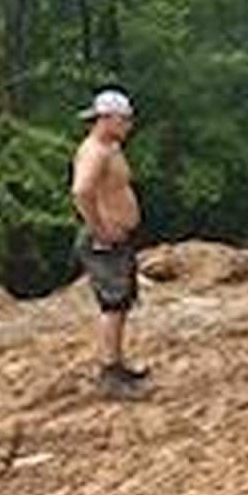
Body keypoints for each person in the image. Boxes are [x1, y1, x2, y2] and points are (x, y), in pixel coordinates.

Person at [71, 88, 148, 396]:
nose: (129, 125)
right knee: (113, 305)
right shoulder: (95, 152)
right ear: (106, 119)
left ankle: (117, 364)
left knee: (122, 301)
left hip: (118, 235)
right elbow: (81, 191)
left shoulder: (110, 147)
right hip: (105, 238)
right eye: (124, 119)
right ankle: (109, 373)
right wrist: (99, 229)